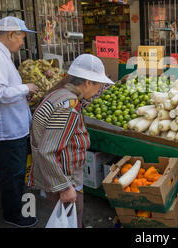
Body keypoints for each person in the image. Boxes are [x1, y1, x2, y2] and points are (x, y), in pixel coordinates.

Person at [28, 54, 114, 228]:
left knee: (72, 219)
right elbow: (47, 151)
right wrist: (65, 187)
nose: (99, 90)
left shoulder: (60, 94)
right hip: (62, 175)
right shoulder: (68, 107)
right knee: (69, 218)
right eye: (98, 84)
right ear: (88, 83)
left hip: (57, 173)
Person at [0, 16, 39, 227]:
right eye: (21, 37)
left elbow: (2, 88)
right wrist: (25, 88)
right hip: (7, 128)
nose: (22, 43)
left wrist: (21, 94)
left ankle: (13, 208)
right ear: (11, 34)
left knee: (12, 171)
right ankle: (13, 215)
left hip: (10, 124)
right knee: (13, 173)